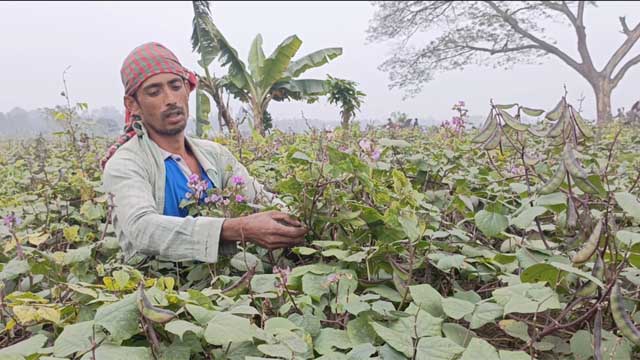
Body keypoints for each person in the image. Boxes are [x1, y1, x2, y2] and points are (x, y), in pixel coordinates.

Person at [101, 42, 307, 264]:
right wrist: (235, 229)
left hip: (222, 282)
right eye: (154, 92)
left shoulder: (214, 154)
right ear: (133, 104)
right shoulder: (126, 163)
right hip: (159, 288)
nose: (170, 99)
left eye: (175, 86)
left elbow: (259, 197)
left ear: (187, 90)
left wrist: (295, 221)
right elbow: (142, 228)